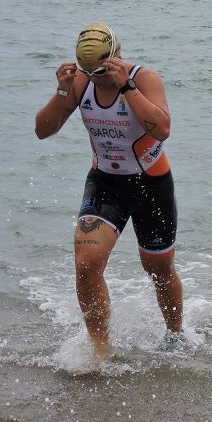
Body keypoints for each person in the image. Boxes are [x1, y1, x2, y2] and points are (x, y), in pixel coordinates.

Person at [34, 23, 183, 370]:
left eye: (101, 71)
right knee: (86, 264)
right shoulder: (81, 83)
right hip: (105, 183)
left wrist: (126, 87)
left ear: (115, 57)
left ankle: (175, 335)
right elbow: (43, 131)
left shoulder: (144, 78)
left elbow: (162, 129)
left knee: (158, 270)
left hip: (151, 184)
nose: (96, 78)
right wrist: (61, 91)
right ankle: (102, 351)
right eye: (89, 71)